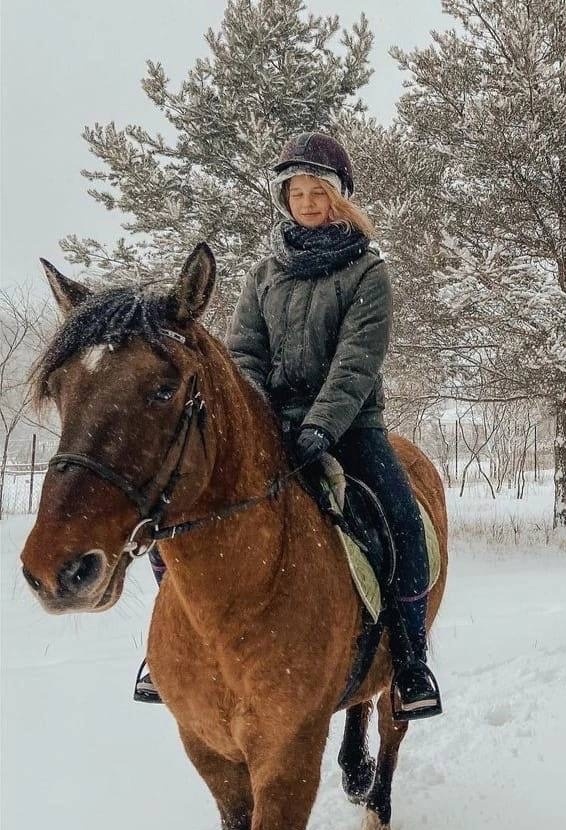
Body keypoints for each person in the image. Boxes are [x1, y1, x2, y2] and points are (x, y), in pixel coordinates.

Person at [135, 132, 441, 720]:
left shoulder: (367, 272)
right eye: (296, 192)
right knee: (173, 514)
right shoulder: (264, 272)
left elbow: (357, 362)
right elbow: (244, 351)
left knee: (401, 523)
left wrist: (321, 428)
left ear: (339, 197)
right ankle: (172, 649)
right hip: (270, 423)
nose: (306, 201)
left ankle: (408, 660)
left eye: (317, 191)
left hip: (350, 426)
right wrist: (255, 417)